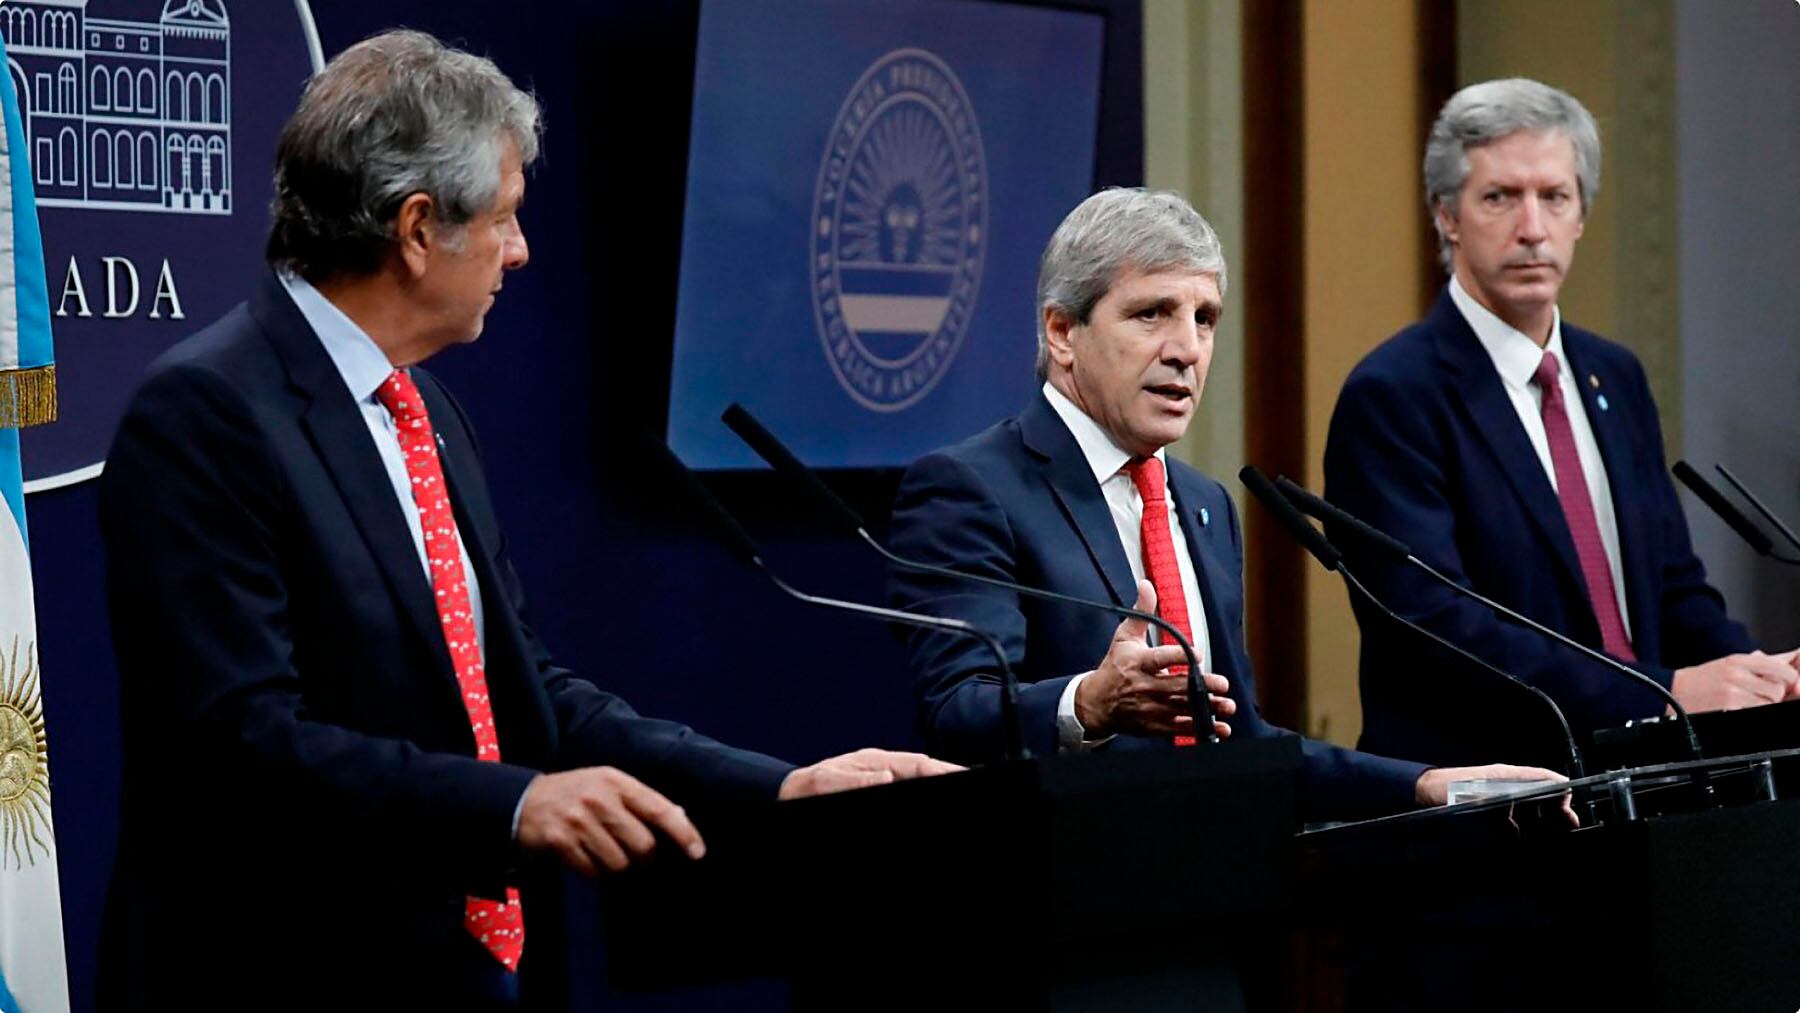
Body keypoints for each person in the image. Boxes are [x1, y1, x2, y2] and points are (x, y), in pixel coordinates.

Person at [95, 30, 953, 1009]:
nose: (520, 249)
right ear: (417, 229)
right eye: (503, 218)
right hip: (282, 970)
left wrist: (779, 787)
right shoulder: (206, 413)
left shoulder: (426, 411)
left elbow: (521, 690)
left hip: (466, 969)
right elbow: (239, 743)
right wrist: (513, 803)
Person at [886, 186, 1554, 822]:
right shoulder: (971, 489)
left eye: (1204, 319)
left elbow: (1242, 743)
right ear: (1062, 331)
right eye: (1151, 313)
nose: (1186, 350)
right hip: (1064, 903)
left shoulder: (1204, 504)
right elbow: (955, 712)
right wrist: (1087, 703)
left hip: (1220, 898)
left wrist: (1422, 784)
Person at [1323, 77, 1800, 767]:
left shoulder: (1617, 376)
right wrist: (1661, 694)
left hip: (1646, 782)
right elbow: (1438, 629)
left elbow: (1672, 589)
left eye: (1554, 197)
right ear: (1446, 215)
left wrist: (1762, 677)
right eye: (1500, 197)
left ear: (1581, 215)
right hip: (1495, 800)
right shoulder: (1394, 394)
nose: (1532, 228)